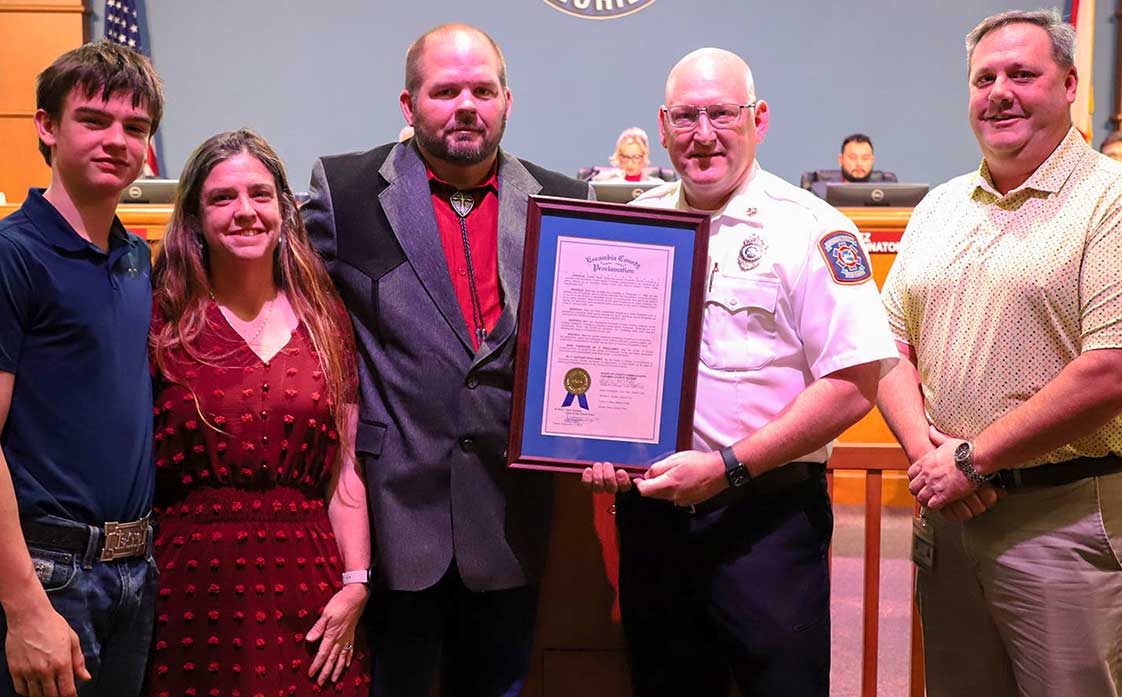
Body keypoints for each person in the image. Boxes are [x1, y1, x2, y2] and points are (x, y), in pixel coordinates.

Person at [583, 48, 897, 697]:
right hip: (653, 520)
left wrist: (729, 465)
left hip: (767, 522)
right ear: (663, 126)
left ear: (758, 118)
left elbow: (853, 383)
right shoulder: (633, 226)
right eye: (687, 117)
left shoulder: (812, 229)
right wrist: (598, 444)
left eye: (721, 113)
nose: (704, 134)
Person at [301, 23, 592, 697]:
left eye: (483, 90)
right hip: (389, 517)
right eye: (446, 90)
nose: (467, 104)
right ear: (409, 106)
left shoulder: (565, 200)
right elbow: (298, 314)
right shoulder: (343, 191)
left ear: (507, 102)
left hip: (510, 515)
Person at [879, 9, 1122, 697]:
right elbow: (887, 341)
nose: (1000, 92)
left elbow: (1110, 369)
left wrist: (971, 458)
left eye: (1023, 74)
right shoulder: (939, 206)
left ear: (1071, 83)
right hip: (949, 522)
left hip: (1064, 524)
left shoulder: (1110, 203)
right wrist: (932, 459)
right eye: (984, 78)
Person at [145, 129, 371, 697]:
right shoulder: (162, 318)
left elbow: (345, 470)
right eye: (223, 198)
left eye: (260, 195)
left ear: (284, 210)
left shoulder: (326, 317)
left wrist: (356, 584)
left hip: (312, 586)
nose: (245, 211)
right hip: (191, 587)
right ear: (196, 217)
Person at [0, 41, 163, 697]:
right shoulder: (15, 256)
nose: (116, 140)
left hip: (134, 573)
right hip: (47, 575)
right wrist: (24, 605)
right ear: (47, 125)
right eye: (94, 120)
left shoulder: (137, 259)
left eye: (135, 126)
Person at [802, 133, 898, 197]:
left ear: (872, 160)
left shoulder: (888, 192)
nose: (859, 164)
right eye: (853, 157)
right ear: (841, 160)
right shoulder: (820, 192)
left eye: (865, 158)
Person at [591, 127, 658, 182]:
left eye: (636, 157)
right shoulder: (604, 181)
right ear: (618, 156)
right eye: (625, 157)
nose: (630, 163)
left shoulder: (656, 186)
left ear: (644, 156)